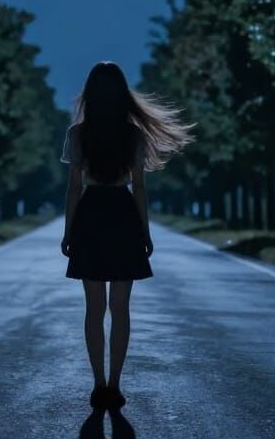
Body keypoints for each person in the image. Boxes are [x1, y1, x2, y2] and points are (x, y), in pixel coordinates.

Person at [60, 61, 194, 411]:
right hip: (122, 215)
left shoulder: (78, 134)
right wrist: (145, 232)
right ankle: (115, 383)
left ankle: (98, 383)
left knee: (94, 308)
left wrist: (68, 232)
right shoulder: (133, 135)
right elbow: (140, 189)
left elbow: (74, 188)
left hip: (91, 215)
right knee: (121, 308)